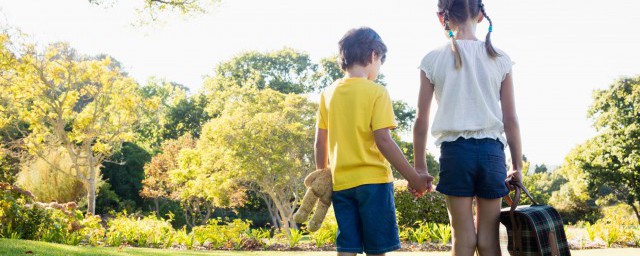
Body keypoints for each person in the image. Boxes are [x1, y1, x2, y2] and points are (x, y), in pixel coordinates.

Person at [412, 1, 523, 255]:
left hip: (454, 154)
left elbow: (421, 119)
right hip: (492, 154)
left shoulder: (432, 60)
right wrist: (517, 165)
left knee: (462, 239)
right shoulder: (501, 59)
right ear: (481, 16)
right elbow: (511, 119)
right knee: (489, 240)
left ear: (442, 18)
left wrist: (420, 167)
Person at [315, 27, 433, 256]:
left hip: (341, 184)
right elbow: (384, 141)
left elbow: (321, 142)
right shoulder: (377, 92)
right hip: (374, 184)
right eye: (380, 62)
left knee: (346, 247)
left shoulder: (327, 94)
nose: (378, 68)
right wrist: (414, 178)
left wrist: (323, 174)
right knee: (377, 250)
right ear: (373, 55)